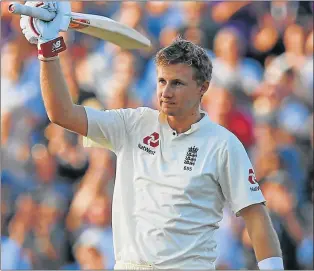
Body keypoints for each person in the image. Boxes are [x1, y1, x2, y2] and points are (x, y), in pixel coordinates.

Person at [19, 2, 284, 269]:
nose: (166, 92)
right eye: (161, 81)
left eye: (177, 83)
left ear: (203, 88)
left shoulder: (223, 144)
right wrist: (48, 48)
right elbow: (62, 113)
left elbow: (255, 216)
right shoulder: (132, 123)